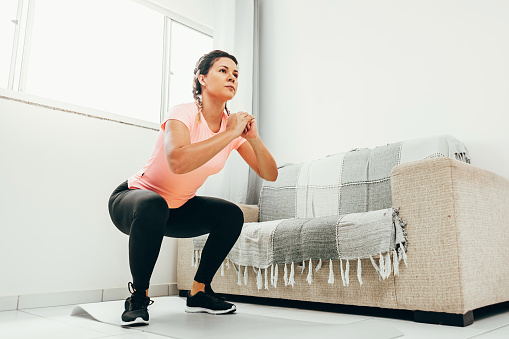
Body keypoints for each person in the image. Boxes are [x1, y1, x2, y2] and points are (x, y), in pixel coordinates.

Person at [108, 50, 278, 325]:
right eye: (223, 71)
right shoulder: (183, 112)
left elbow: (270, 174)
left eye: (235, 74)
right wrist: (231, 134)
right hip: (132, 201)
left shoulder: (229, 128)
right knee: (154, 204)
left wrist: (253, 139)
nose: (232, 77)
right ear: (202, 78)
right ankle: (138, 296)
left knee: (231, 214)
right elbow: (177, 161)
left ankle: (199, 292)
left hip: (176, 209)